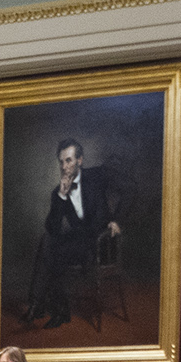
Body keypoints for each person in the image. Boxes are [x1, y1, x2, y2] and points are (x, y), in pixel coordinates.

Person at [28, 137, 123, 330]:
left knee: (54, 252)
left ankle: (43, 307)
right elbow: (52, 228)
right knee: (47, 241)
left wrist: (117, 219)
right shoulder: (58, 192)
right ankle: (43, 306)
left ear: (80, 160)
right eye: (61, 162)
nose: (64, 166)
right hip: (79, 241)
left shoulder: (97, 175)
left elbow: (130, 188)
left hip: (101, 242)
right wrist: (62, 196)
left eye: (68, 160)